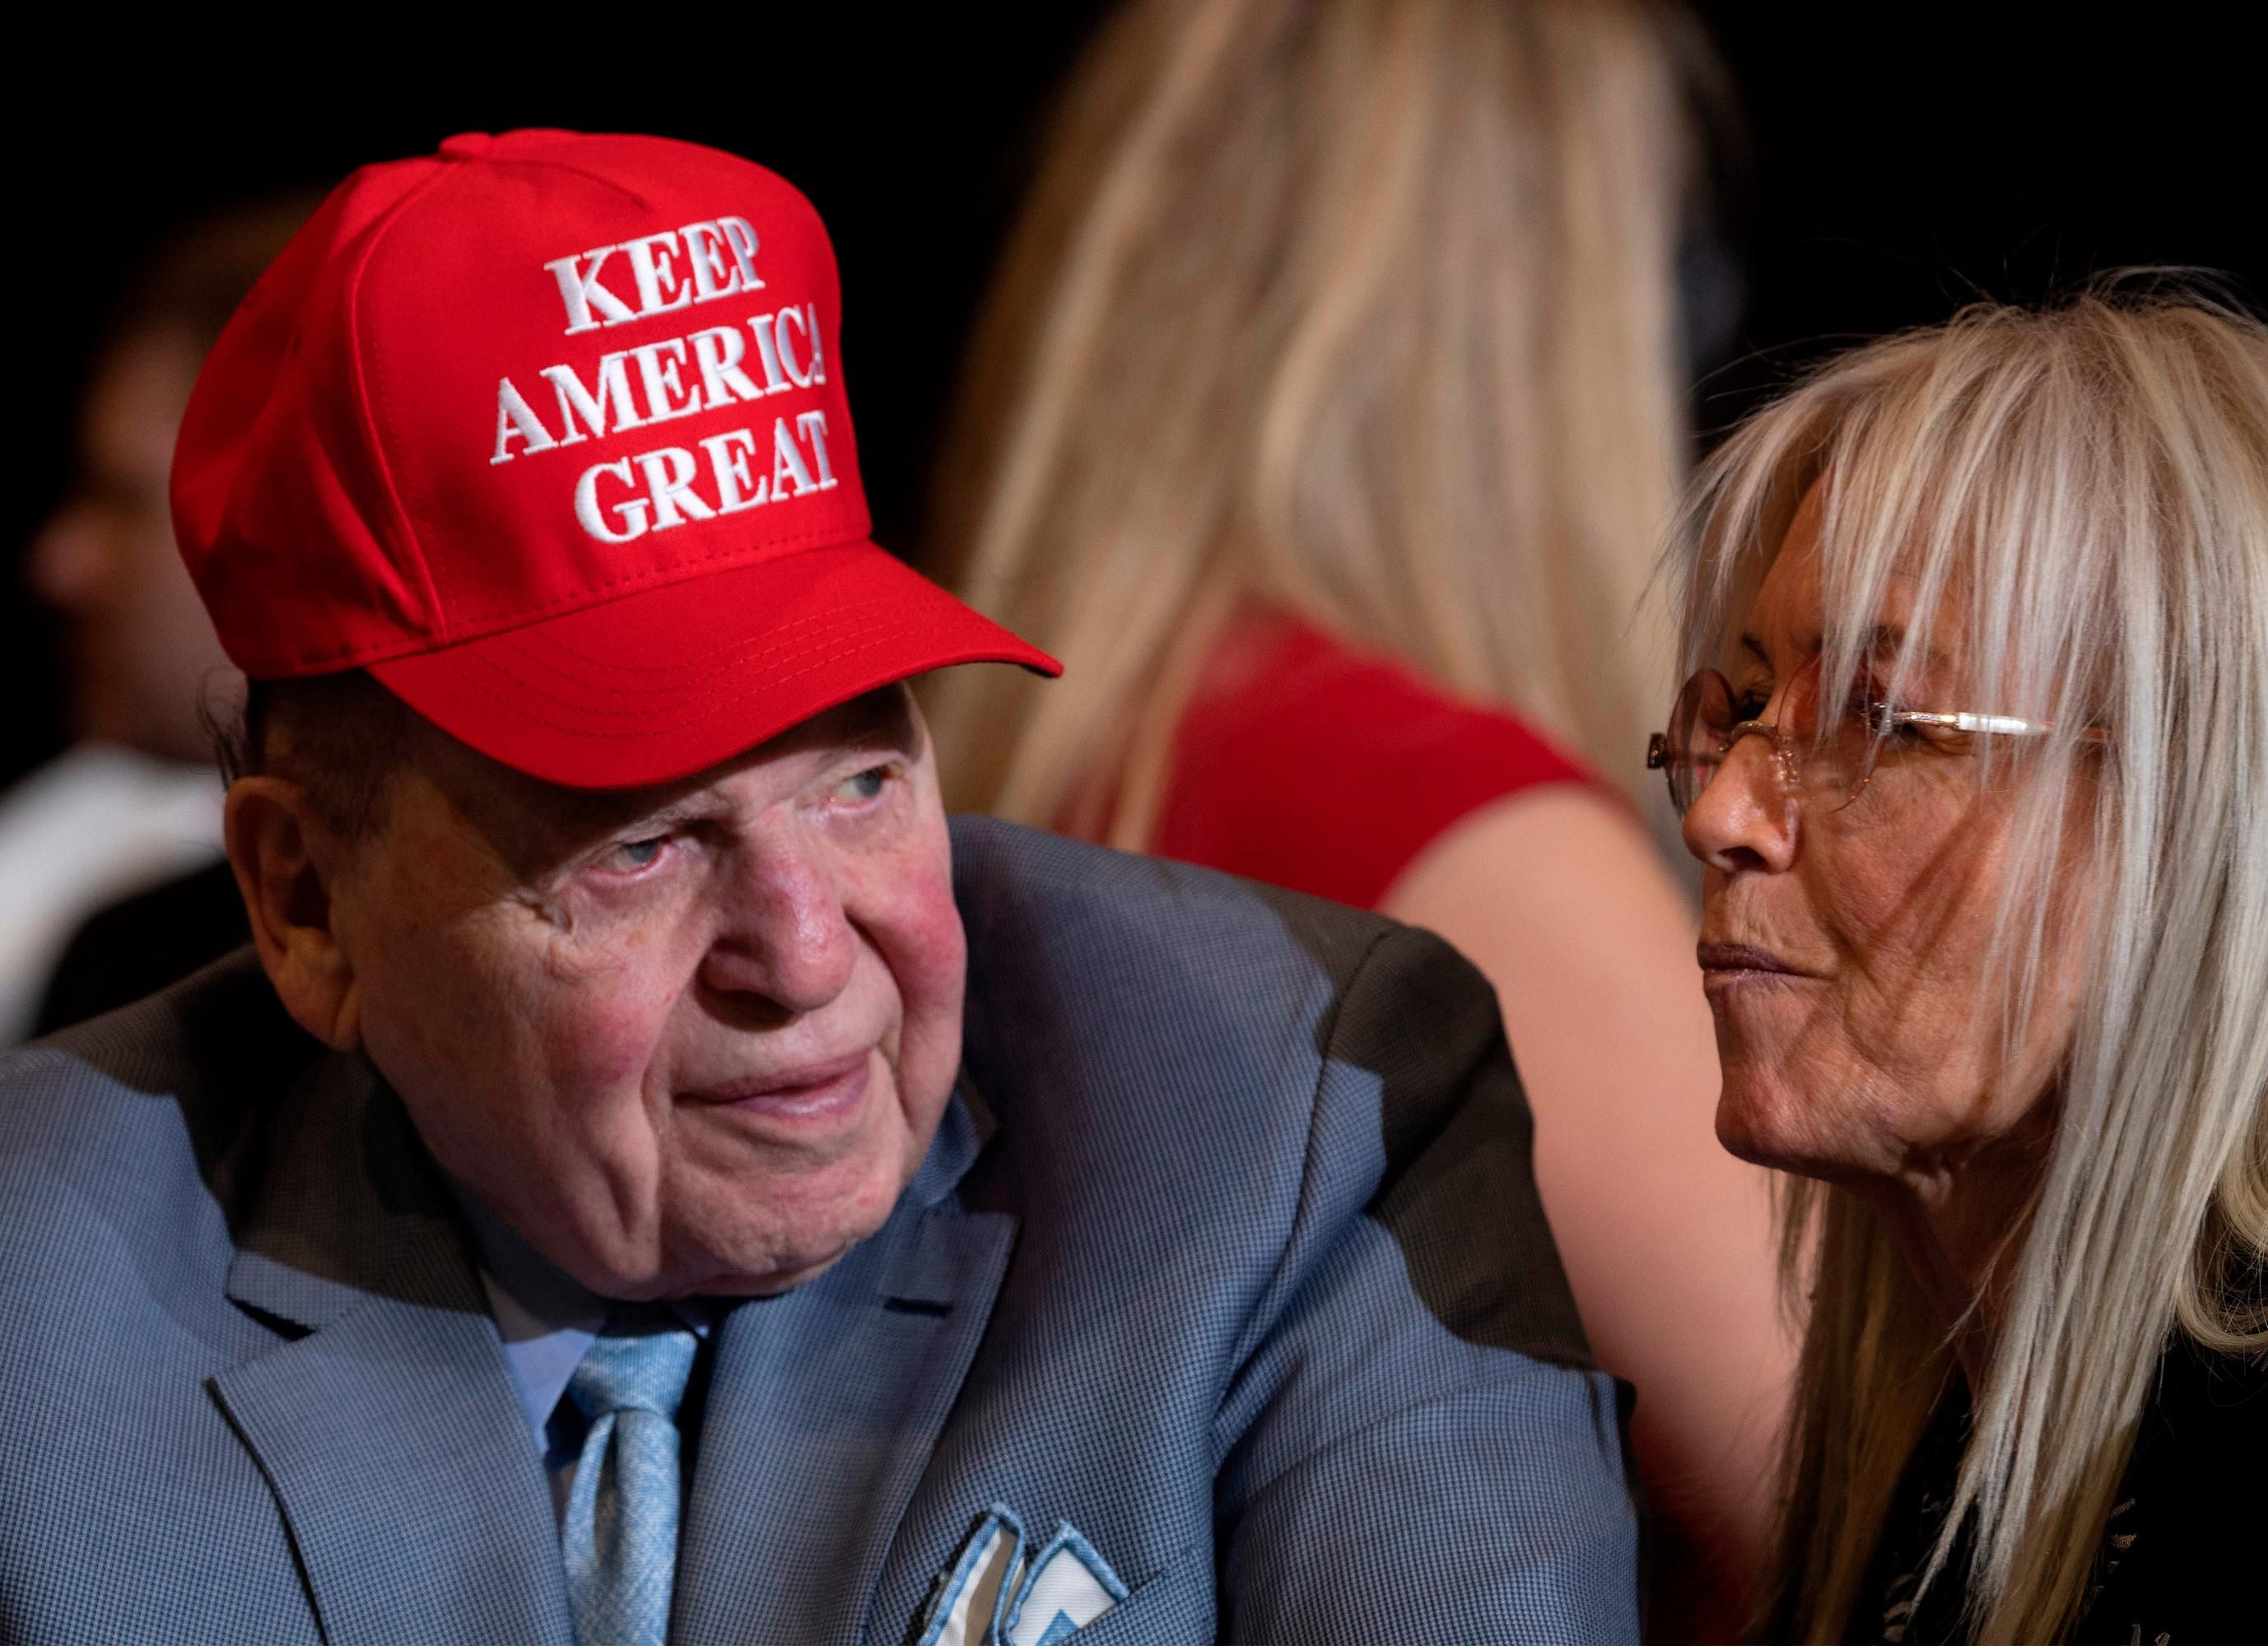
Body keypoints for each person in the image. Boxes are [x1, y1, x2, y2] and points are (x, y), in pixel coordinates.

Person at [0, 131, 1637, 1644]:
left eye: (861, 780)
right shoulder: (39, 1284)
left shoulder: (1294, 1114)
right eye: (637, 843)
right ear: (302, 902)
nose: (803, 950)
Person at [922, 0, 1790, 1618]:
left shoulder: (1049, 772)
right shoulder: (1466, 839)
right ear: (1559, 320)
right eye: (1674, 273)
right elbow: (1855, 1513)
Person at [1656, 291, 2268, 1644]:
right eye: (1740, 711)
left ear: (2215, 821)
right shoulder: (1973, 1440)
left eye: (1884, 722)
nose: (1721, 813)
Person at [0, 202, 309, 1041]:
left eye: (121, 501)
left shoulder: (152, 963)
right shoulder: (73, 846)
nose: (61, 564)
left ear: (287, 520)